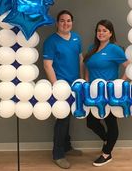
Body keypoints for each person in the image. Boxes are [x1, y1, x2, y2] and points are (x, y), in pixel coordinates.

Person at [84, 19, 129, 167]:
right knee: (91, 122)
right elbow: (88, 68)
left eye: (104, 30)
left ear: (110, 33)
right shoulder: (92, 48)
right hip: (93, 93)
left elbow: (129, 67)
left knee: (111, 123)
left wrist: (120, 84)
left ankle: (106, 153)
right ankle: (107, 140)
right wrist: (86, 84)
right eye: (99, 30)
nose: (101, 33)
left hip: (109, 94)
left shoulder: (115, 49)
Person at [43, 10, 83, 169]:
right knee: (62, 119)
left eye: (68, 21)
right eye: (62, 21)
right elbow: (47, 65)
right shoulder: (51, 41)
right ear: (57, 23)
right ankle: (58, 154)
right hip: (61, 86)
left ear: (72, 22)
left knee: (69, 116)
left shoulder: (76, 38)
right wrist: (56, 86)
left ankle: (66, 146)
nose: (66, 23)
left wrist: (81, 80)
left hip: (75, 85)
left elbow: (80, 59)